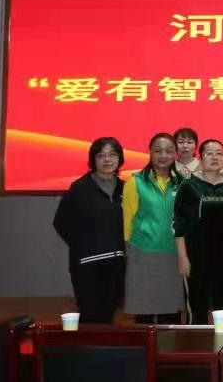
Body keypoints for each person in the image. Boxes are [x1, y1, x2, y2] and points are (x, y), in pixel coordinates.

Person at [53, 137, 126, 323]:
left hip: (116, 265)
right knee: (91, 319)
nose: (107, 159)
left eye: (112, 154)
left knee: (110, 317)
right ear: (93, 159)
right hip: (87, 266)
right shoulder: (80, 188)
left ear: (119, 158)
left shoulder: (125, 188)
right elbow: (60, 222)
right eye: (101, 155)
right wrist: (84, 245)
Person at [122, 133, 185, 323]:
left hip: (173, 252)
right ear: (150, 152)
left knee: (171, 311)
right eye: (158, 151)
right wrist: (128, 249)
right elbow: (127, 219)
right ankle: (146, 343)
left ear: (175, 154)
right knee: (144, 309)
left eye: (168, 151)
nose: (163, 156)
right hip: (143, 252)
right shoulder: (136, 181)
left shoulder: (183, 182)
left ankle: (168, 343)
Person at [173, 139, 223, 324]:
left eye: (219, 153)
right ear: (200, 158)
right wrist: (183, 258)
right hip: (196, 258)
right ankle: (196, 341)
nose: (215, 157)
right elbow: (178, 225)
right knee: (197, 309)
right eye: (209, 153)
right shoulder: (188, 186)